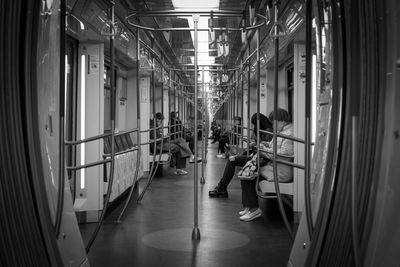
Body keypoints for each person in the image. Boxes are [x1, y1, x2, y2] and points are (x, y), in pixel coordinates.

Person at [238, 108, 294, 222]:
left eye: (274, 122)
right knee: (247, 172)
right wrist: (266, 144)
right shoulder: (282, 132)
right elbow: (276, 148)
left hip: (281, 171)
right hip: (275, 167)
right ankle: (250, 206)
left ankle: (254, 209)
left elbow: (283, 154)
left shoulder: (289, 134)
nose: (272, 125)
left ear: (281, 121)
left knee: (248, 174)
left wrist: (263, 150)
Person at [209, 113, 273, 197]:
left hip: (261, 159)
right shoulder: (262, 131)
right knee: (235, 157)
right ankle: (221, 187)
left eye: (253, 123)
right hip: (258, 156)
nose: (252, 125)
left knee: (232, 160)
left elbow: (264, 149)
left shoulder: (267, 133)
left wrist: (256, 145)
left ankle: (221, 188)